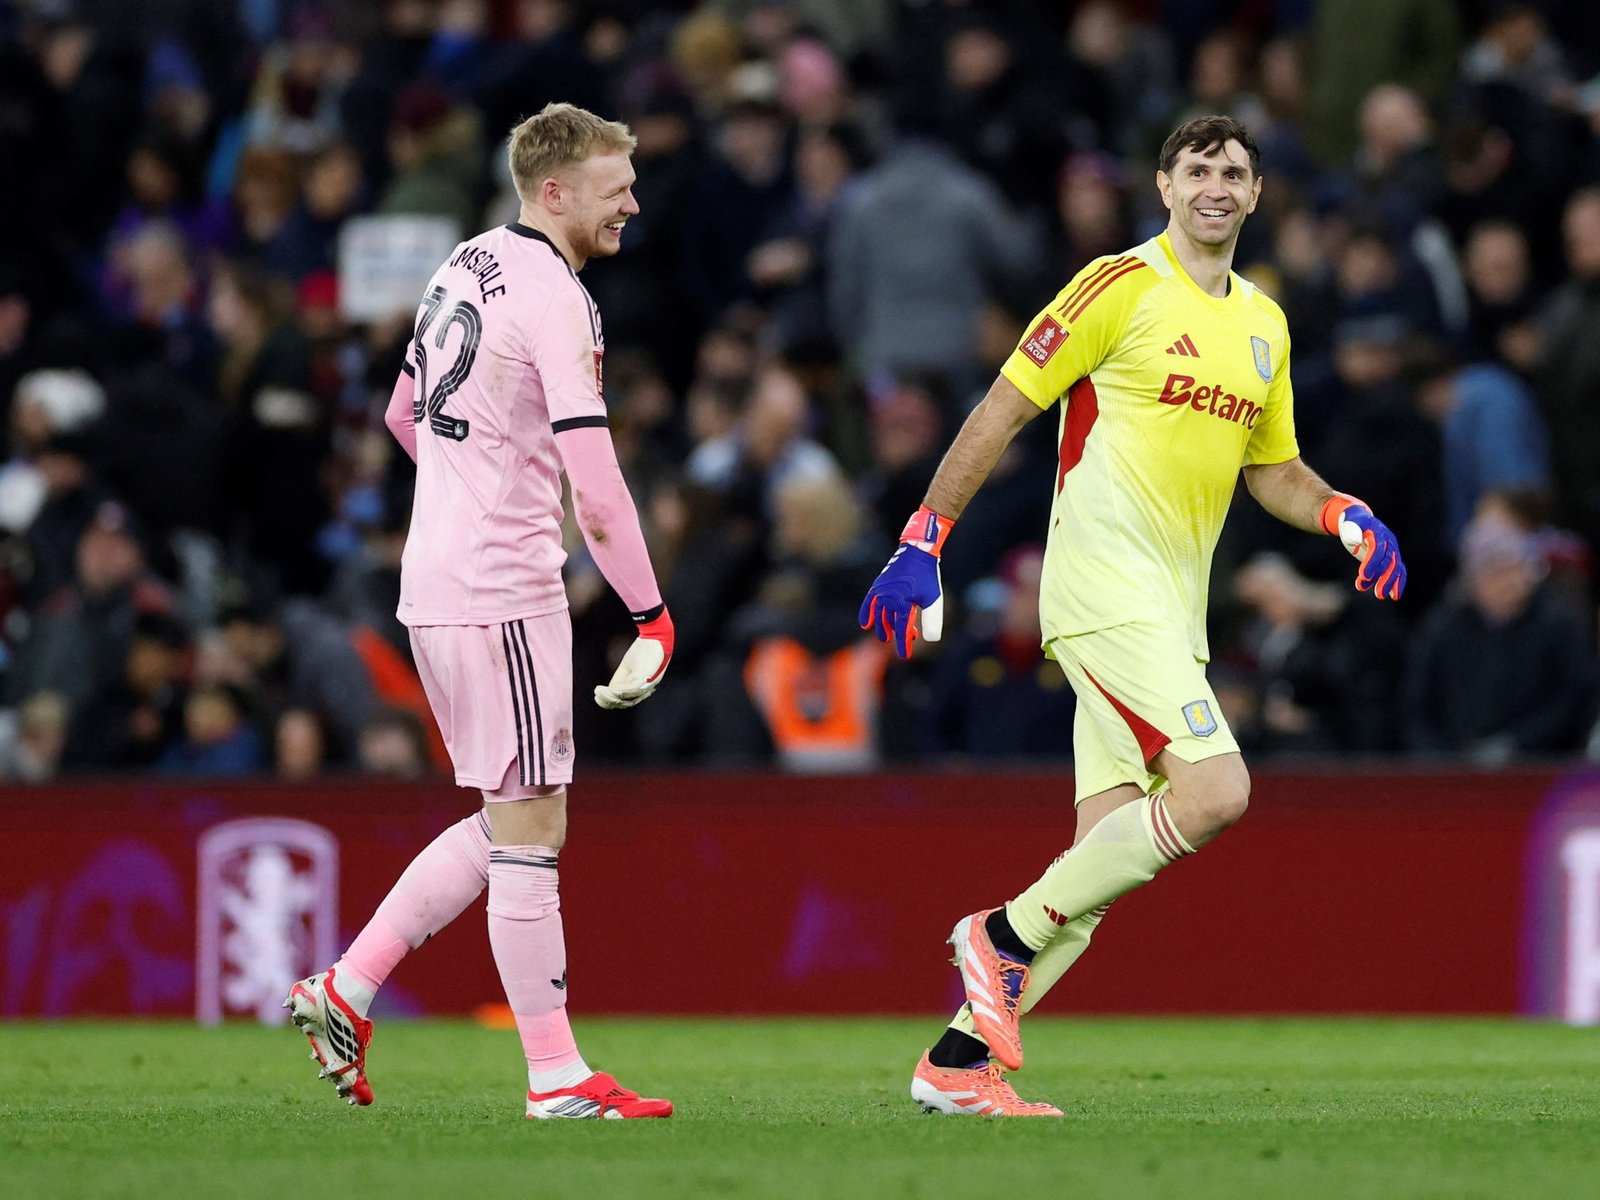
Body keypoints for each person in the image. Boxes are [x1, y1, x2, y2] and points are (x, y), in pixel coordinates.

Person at [859, 116, 1408, 1117]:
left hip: (1171, 609)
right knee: (1216, 792)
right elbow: (1001, 408)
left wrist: (1339, 510)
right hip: (1100, 585)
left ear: (1253, 195)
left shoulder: (1264, 323)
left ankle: (955, 1063)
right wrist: (921, 539)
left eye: (1233, 172)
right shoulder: (1116, 284)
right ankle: (1000, 936)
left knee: (1101, 860)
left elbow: (1271, 471)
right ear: (1163, 184)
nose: (1215, 185)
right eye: (1195, 168)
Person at [285, 103, 677, 1120]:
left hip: (438, 583)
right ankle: (553, 1077)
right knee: (531, 832)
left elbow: (402, 416)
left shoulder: (465, 261)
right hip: (501, 590)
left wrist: (478, 488)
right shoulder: (555, 293)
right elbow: (594, 481)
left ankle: (347, 987)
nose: (632, 201)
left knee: (509, 818)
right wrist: (650, 612)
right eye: (615, 186)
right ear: (555, 192)